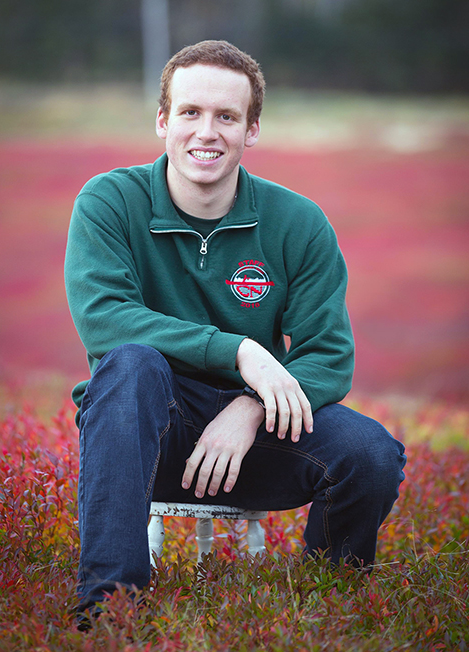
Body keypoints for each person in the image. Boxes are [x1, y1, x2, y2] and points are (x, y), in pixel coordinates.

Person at [64, 40, 406, 622]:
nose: (207, 132)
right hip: (147, 436)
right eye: (191, 113)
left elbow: (328, 354)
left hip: (254, 443)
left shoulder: (297, 221)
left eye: (227, 117)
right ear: (162, 120)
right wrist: (241, 350)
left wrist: (250, 408)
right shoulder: (109, 201)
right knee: (130, 363)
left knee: (371, 453)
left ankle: (331, 600)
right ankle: (109, 605)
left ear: (252, 130)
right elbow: (104, 317)